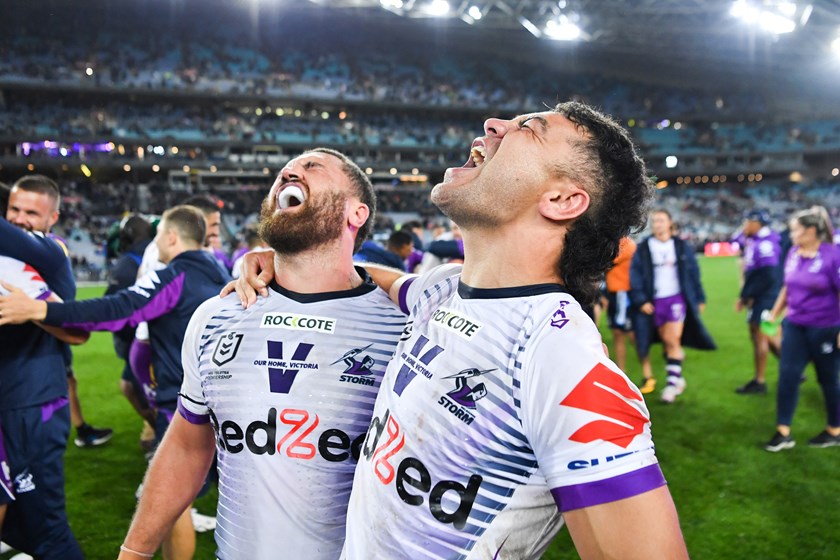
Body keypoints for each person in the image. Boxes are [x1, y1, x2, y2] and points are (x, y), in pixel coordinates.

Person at [237, 104, 689, 559]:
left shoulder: (557, 354)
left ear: (561, 200)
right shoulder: (444, 290)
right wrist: (289, 263)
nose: (493, 125)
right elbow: (380, 279)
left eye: (528, 129)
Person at [120, 148, 405, 560]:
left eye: (313, 166)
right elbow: (188, 444)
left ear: (355, 213)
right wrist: (134, 552)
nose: (289, 170)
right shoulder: (218, 315)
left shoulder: (405, 326)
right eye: (286, 169)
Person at [0, 204, 232, 560]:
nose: (155, 244)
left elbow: (118, 308)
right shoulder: (221, 271)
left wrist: (42, 310)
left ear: (171, 237)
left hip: (186, 406)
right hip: (229, 406)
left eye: (158, 237)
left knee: (174, 504)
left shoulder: (176, 275)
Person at [0, 176, 84, 559]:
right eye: (14, 210)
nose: (19, 219)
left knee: (45, 525)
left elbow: (78, 331)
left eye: (31, 213)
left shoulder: (50, 255)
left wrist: (33, 310)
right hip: (9, 401)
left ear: (53, 217)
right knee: (17, 521)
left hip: (34, 402)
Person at [763, 206, 840, 452]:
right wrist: (774, 315)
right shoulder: (794, 252)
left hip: (825, 327)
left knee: (828, 379)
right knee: (788, 375)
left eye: (795, 229)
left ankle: (834, 429)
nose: (791, 233)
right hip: (795, 325)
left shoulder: (832, 255)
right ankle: (783, 432)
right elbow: (788, 287)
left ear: (810, 231)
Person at [630, 208, 716, 403]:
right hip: (656, 301)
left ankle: (671, 386)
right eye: (655, 220)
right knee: (667, 342)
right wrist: (641, 299)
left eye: (661, 220)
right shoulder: (644, 247)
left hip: (676, 299)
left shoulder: (680, 246)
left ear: (670, 223)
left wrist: (699, 297)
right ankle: (678, 376)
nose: (657, 223)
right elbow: (635, 275)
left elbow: (694, 273)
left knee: (673, 338)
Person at [732, 209, 783, 394]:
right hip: (762, 295)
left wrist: (749, 295)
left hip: (765, 296)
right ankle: (792, 368)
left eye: (747, 221)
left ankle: (760, 382)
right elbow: (735, 239)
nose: (744, 225)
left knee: (762, 336)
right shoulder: (757, 239)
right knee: (760, 334)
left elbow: (768, 275)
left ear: (757, 223)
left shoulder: (766, 244)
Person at [605, 236, 637, 373]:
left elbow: (608, 261)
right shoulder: (614, 242)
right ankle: (621, 370)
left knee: (627, 333)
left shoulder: (627, 244)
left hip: (622, 293)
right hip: (614, 292)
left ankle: (646, 365)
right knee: (617, 333)